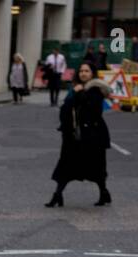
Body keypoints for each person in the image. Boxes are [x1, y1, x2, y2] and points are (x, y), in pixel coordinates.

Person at [46, 61, 111, 208]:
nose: (83, 73)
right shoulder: (74, 89)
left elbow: (92, 110)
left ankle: (103, 193)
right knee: (66, 165)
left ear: (92, 74)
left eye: (87, 71)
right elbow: (65, 109)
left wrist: (79, 92)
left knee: (96, 167)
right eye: (81, 71)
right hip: (74, 135)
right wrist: (75, 93)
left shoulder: (97, 90)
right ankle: (57, 195)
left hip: (92, 136)